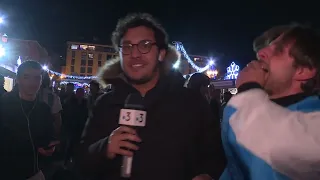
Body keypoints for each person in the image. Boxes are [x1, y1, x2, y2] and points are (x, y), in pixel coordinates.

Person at [77, 13, 225, 180]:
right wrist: (105, 147)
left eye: (145, 45)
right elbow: (81, 161)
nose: (135, 54)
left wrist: (208, 175)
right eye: (127, 47)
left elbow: (216, 156)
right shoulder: (104, 104)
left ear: (161, 54)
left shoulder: (192, 103)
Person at [220, 24, 320, 180]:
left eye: (278, 51)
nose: (260, 53)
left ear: (304, 70)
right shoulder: (261, 112)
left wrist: (248, 88)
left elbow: (273, 143)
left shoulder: (313, 121)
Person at [0, 61, 58, 179]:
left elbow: (48, 135)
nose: (33, 82)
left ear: (41, 80)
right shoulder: (4, 104)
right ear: (18, 79)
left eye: (37, 78)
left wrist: (49, 147)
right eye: (27, 77)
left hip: (34, 171)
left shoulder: (44, 109)